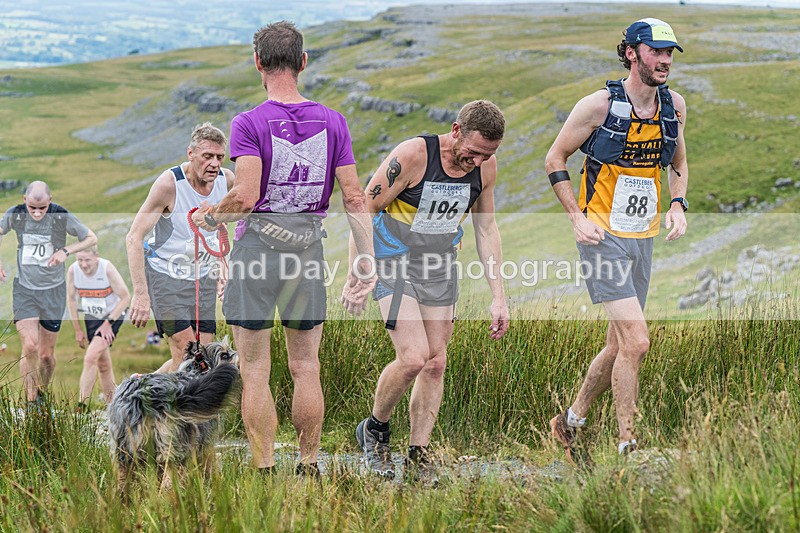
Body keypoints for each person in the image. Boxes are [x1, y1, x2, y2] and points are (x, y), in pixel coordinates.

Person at [192, 21, 375, 477]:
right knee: (305, 366)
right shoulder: (334, 121)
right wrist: (366, 261)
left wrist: (209, 214)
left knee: (254, 368)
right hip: (306, 254)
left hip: (256, 253)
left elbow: (247, 196)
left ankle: (265, 467)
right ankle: (309, 463)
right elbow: (354, 197)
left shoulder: (249, 123)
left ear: (258, 63)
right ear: (303, 63)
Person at [544, 18, 689, 464]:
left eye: (670, 53)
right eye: (655, 52)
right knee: (638, 341)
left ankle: (568, 423)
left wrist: (678, 204)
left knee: (618, 345)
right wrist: (576, 219)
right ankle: (628, 445)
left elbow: (679, 162)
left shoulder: (674, 106)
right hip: (601, 237)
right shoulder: (598, 106)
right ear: (631, 53)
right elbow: (555, 158)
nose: (664, 60)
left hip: (642, 237)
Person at [342, 100, 510, 480]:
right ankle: (375, 429)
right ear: (455, 131)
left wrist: (498, 296)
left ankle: (419, 454)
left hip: (439, 264)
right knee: (414, 356)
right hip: (393, 259)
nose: (478, 162)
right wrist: (361, 266)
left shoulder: (485, 166)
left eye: (488, 155)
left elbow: (485, 229)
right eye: (473, 152)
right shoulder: (414, 155)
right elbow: (362, 208)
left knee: (436, 362)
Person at [126, 123, 234, 373]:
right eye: (207, 156)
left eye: (220, 157)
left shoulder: (226, 180)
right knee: (186, 351)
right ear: (191, 154)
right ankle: (184, 412)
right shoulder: (169, 184)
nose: (215, 164)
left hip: (202, 279)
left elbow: (222, 230)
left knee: (203, 357)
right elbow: (134, 237)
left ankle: (143, 386)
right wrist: (141, 293)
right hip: (166, 278)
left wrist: (222, 269)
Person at [0, 181, 97, 403]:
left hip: (53, 292)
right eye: (32, 208)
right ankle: (31, 400)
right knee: (30, 345)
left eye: (41, 208)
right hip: (25, 290)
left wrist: (65, 251)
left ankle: (42, 391)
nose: (36, 213)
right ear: (25, 200)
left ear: (50, 201)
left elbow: (91, 238)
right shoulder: (15, 214)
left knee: (45, 356)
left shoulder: (61, 215)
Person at [67, 246, 130, 410]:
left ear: (96, 257)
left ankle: (82, 406)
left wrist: (108, 323)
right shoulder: (73, 271)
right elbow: (72, 299)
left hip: (113, 315)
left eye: (87, 260)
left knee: (90, 357)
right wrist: (77, 329)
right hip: (92, 317)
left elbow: (125, 297)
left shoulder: (107, 268)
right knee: (103, 365)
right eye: (79, 260)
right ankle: (114, 405)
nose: (83, 264)